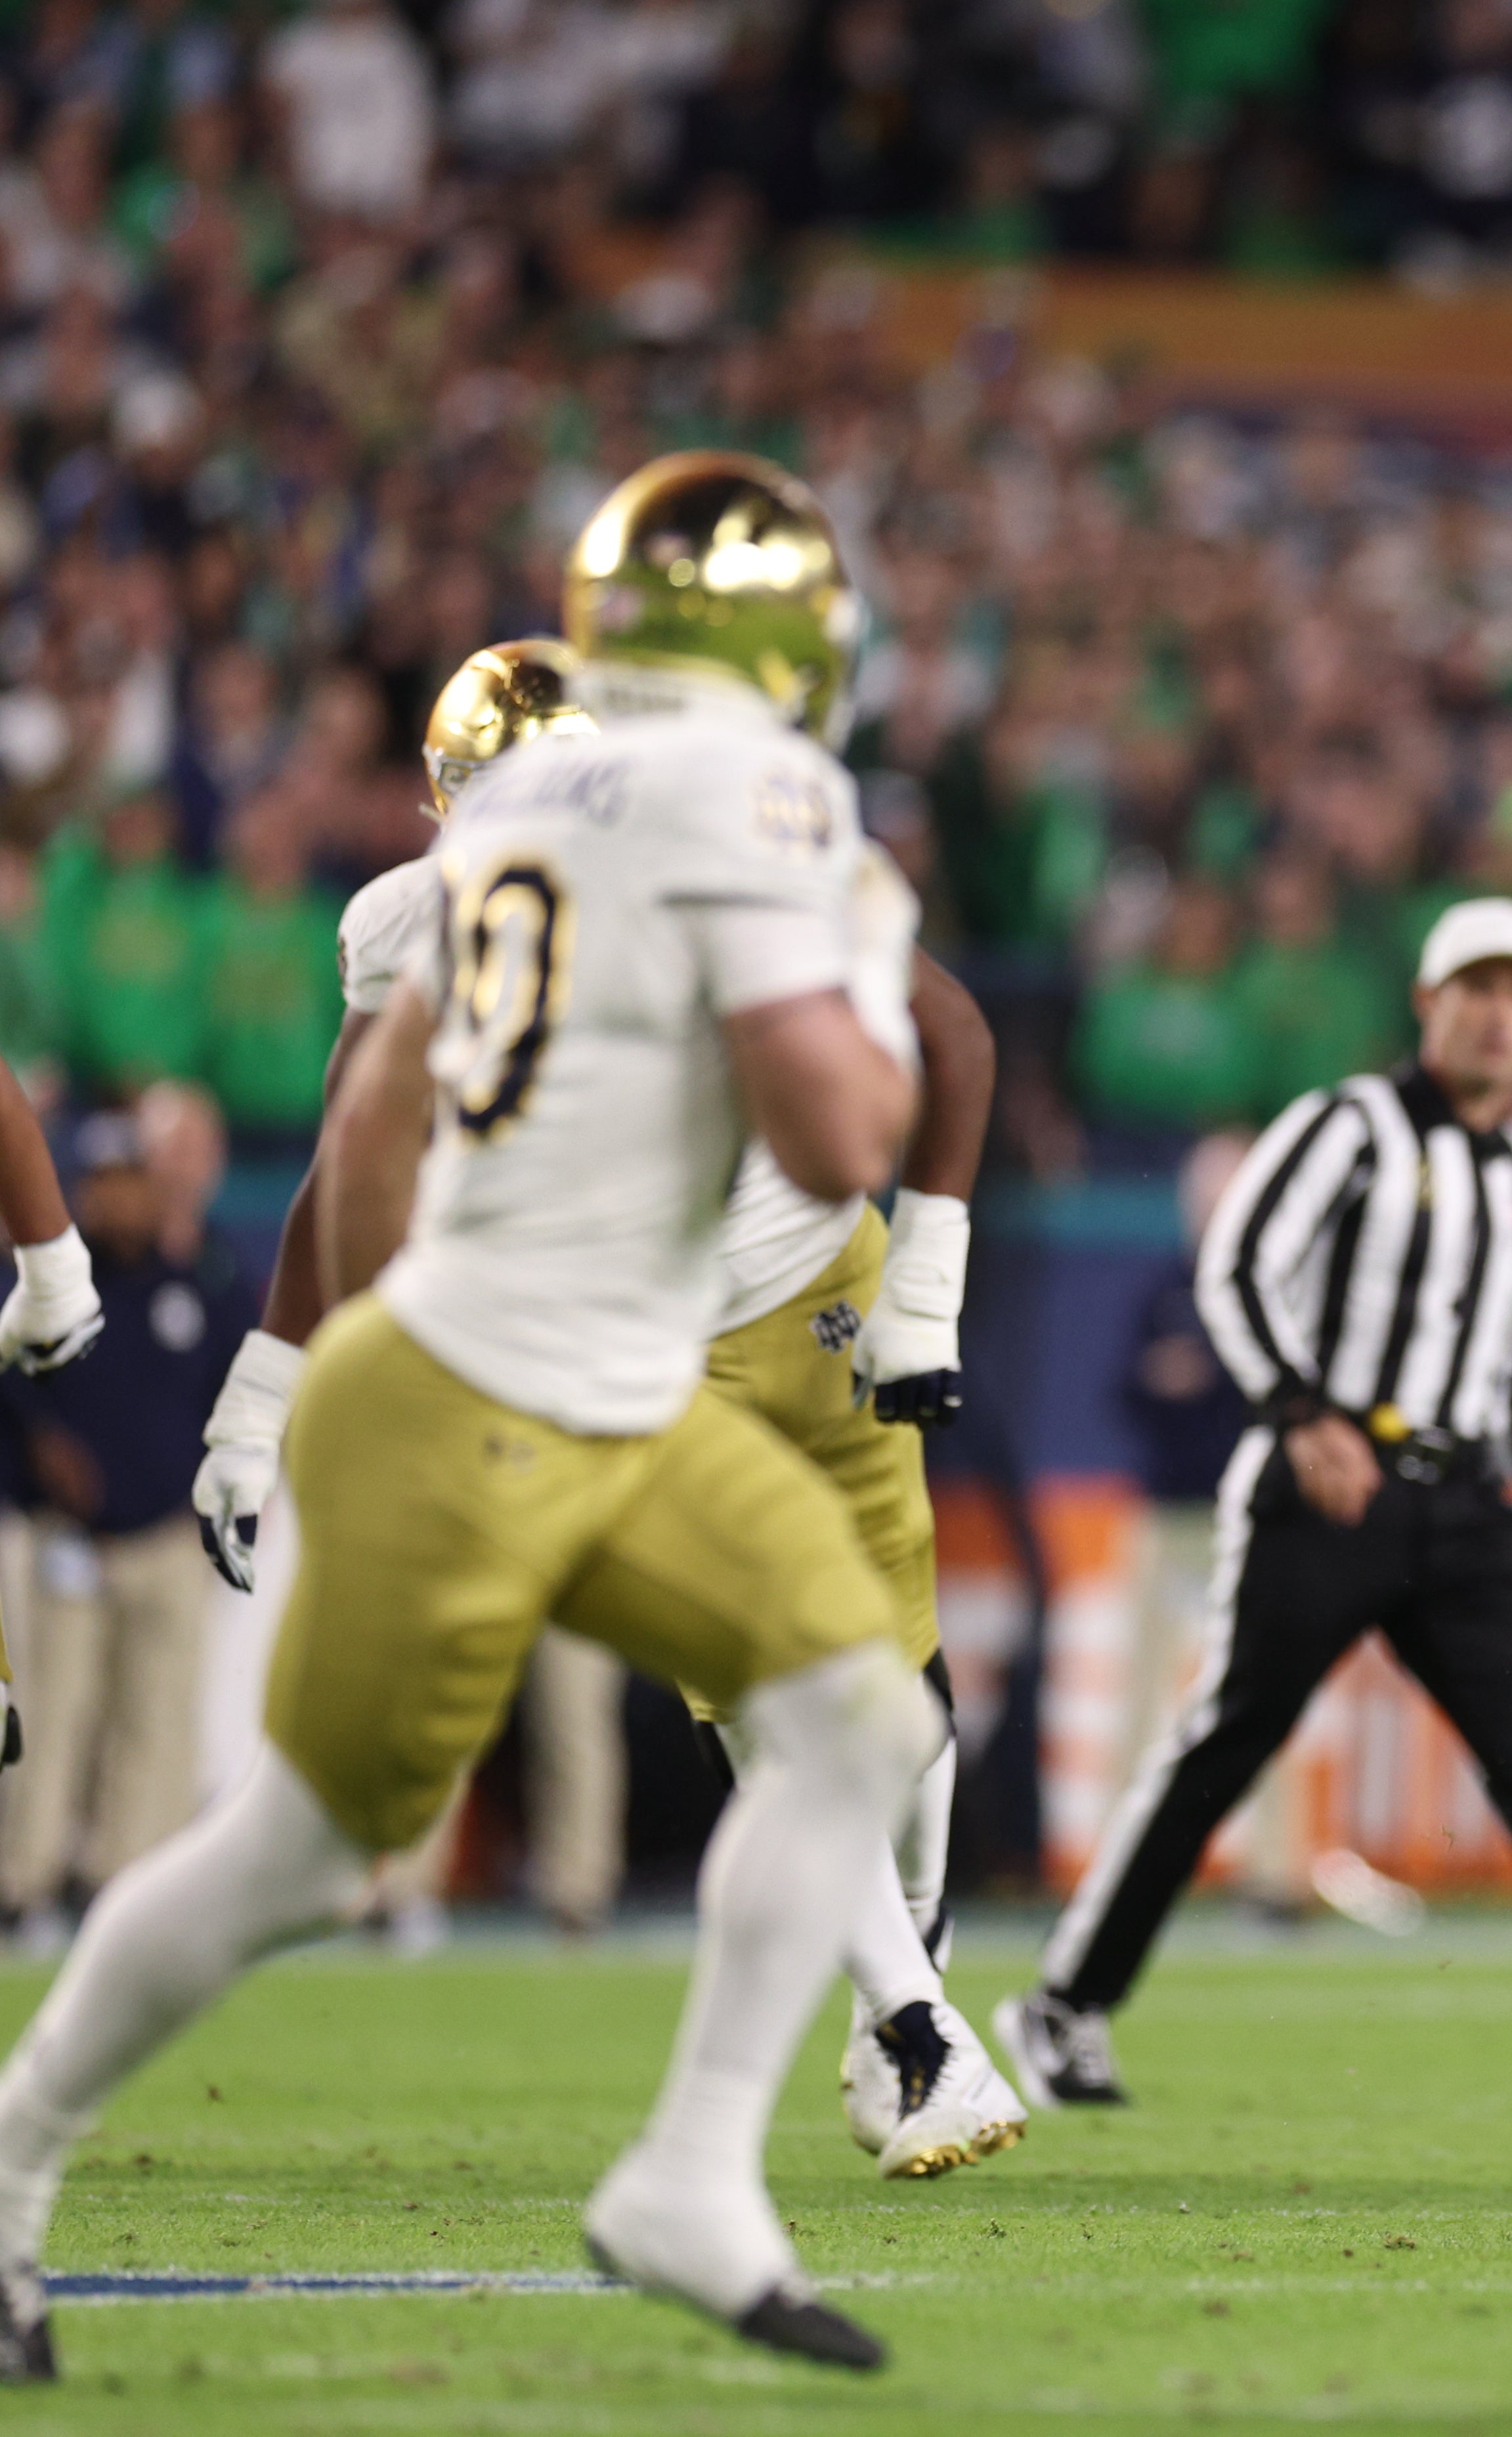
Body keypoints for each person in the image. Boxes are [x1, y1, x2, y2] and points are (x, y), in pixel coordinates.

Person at [0, 450, 947, 2377]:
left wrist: (308, 1365)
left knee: (851, 1701)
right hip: (489, 1398)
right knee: (294, 1856)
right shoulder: (754, 795)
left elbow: (369, 1119)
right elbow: (837, 1126)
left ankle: (690, 2172)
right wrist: (858, 978)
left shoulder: (514, 810)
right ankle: (13, 2165)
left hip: (586, 1381)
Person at [187, 627, 1025, 2178]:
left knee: (902, 1718)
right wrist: (263, 1398)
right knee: (785, 1699)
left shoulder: (737, 848)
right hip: (640, 1338)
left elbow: (955, 1034)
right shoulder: (407, 928)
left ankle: (904, 1967)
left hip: (818, 1287)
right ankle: (916, 2026)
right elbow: (343, 1173)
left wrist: (924, 1290)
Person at [1000, 898, 1512, 2116]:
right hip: (1327, 1488)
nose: (1498, 1015)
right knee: (1225, 1744)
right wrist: (1298, 1412)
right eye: (1476, 989)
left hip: (1466, 1502)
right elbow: (1234, 1265)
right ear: (1428, 1001)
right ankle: (1065, 2000)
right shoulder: (1348, 1124)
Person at [0, 1107, 250, 1943]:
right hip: (68, 1540)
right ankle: (26, 1883)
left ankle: (127, 1886)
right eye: (98, 1184)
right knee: (51, 1714)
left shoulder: (202, 1282)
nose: (115, 1200)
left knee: (159, 1721)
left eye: (128, 1181)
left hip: (167, 1537)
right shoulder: (47, 1281)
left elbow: (238, 1391)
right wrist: (41, 1445)